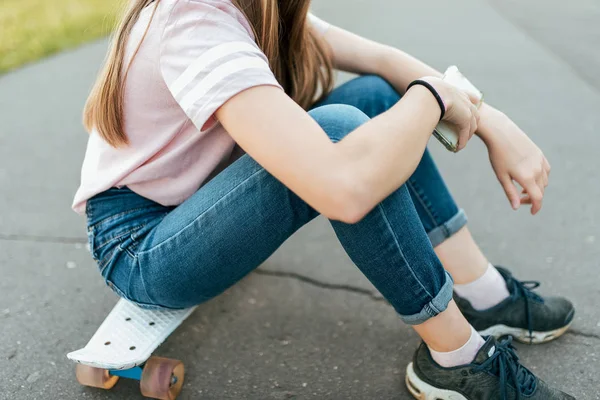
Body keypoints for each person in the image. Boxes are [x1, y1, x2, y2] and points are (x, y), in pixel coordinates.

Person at [73, 0, 575, 398]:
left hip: (193, 200)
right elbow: (345, 189)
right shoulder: (194, 21)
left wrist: (493, 123)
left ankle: (483, 294)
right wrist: (436, 99)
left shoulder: (258, 7)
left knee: (377, 96)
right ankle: (456, 360)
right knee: (344, 137)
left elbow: (384, 62)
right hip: (142, 246)